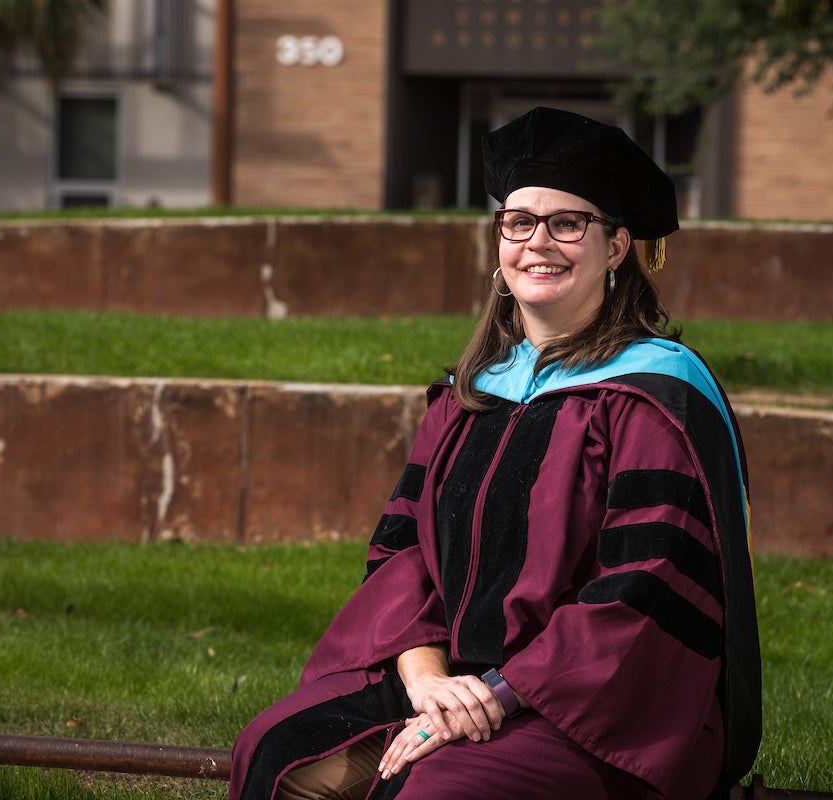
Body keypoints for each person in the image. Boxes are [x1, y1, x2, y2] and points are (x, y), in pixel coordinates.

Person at [229, 106, 761, 800]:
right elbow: (404, 553)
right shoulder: (472, 394)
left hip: (601, 709)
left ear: (618, 246)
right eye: (519, 222)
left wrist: (497, 695)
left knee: (432, 793)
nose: (539, 243)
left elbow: (642, 589)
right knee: (276, 753)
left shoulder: (654, 395)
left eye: (568, 223)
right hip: (456, 682)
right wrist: (428, 684)